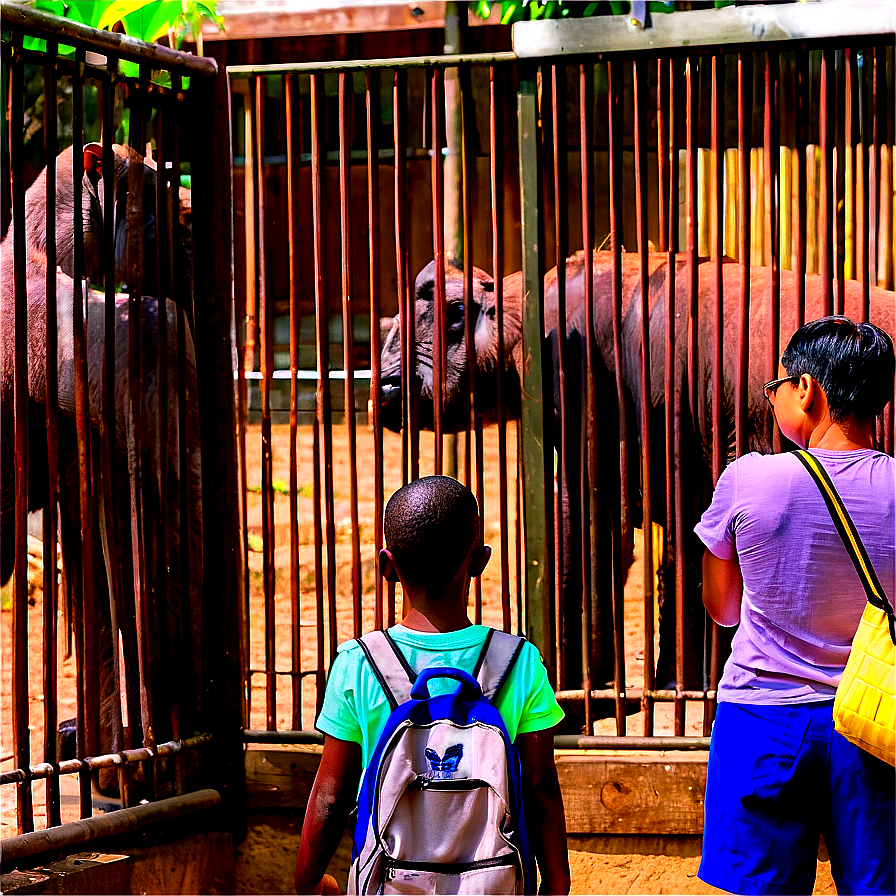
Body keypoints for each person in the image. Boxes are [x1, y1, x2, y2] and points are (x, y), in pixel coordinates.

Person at [294, 475, 571, 896]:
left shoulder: (358, 663)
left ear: (387, 567)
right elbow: (539, 787)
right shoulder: (518, 662)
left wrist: (309, 881)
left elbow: (332, 798)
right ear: (479, 562)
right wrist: (556, 883)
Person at [694, 316, 895, 896]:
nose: (774, 398)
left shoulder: (749, 480)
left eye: (774, 388)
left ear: (807, 389)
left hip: (762, 717)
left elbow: (722, 608)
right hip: (877, 723)